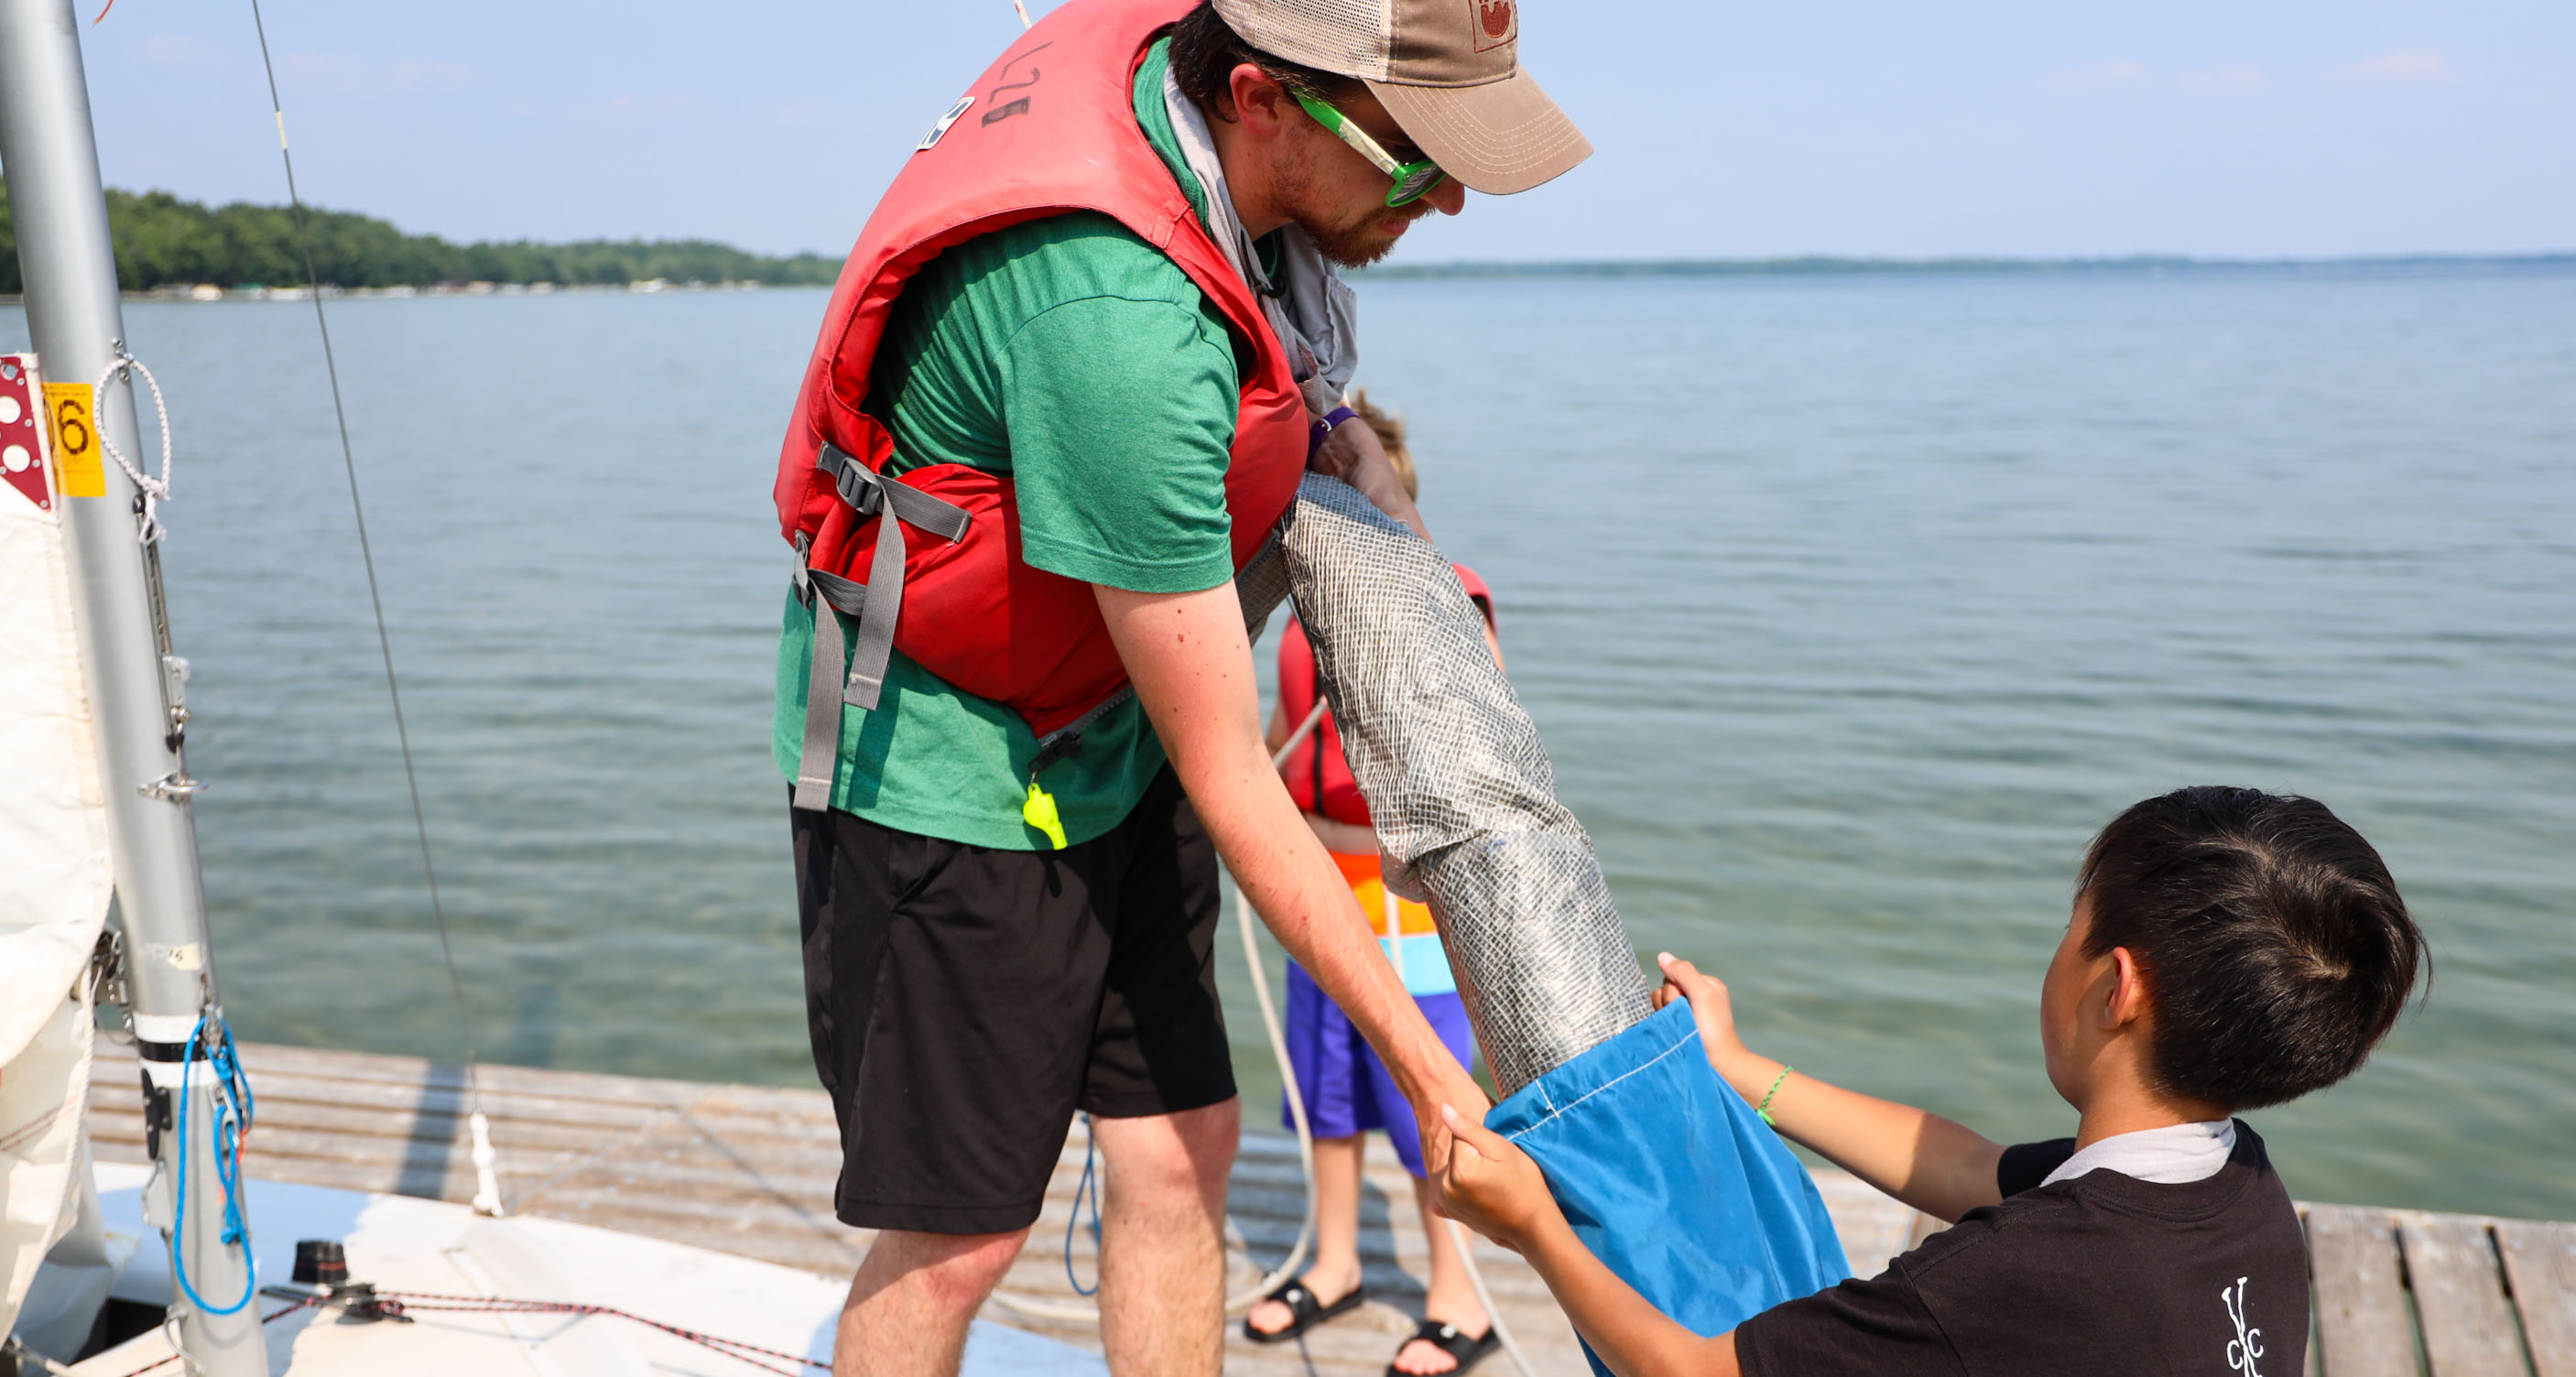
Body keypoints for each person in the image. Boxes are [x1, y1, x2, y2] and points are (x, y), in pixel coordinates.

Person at [766, 1, 1590, 1374]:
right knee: (959, 1231)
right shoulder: (1122, 325)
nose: (1446, 197)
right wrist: (1434, 1073)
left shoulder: (1210, 91)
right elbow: (1233, 774)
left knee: (1183, 1148)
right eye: (1414, 155)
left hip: (1116, 732)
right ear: (1262, 98)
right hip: (956, 770)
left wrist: (1338, 437)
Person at [1434, 786, 2429, 1377]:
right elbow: (1967, 1166)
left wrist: (1533, 1226)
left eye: (2069, 930)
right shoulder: (2239, 1194)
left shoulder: (2013, 1280)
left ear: (2113, 987)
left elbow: (1687, 1370)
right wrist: (1740, 1070)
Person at [1243, 398, 1501, 1375]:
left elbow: (1481, 711)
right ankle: (1336, 1259)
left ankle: (1459, 1295)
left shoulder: (1448, 591)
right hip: (1319, 889)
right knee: (1326, 1098)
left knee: (1424, 1102)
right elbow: (1277, 737)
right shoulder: (1298, 615)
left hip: (1411, 908)